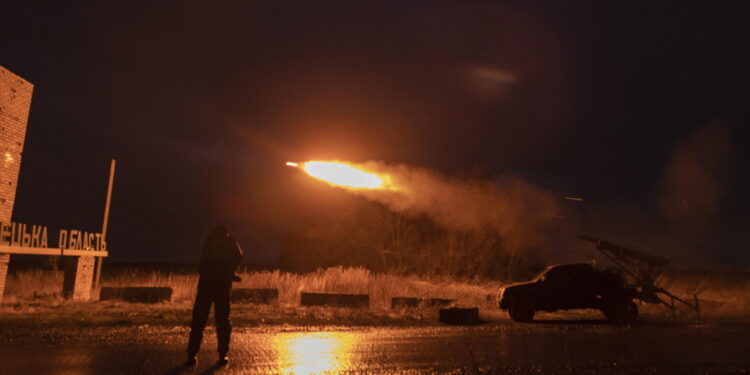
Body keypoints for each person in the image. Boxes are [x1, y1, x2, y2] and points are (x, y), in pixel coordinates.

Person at [186, 225, 243, 367]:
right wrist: (230, 271)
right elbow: (239, 256)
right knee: (223, 322)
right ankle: (222, 354)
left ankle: (192, 355)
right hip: (221, 287)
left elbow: (203, 265)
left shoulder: (209, 242)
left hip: (206, 286)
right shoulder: (229, 241)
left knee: (199, 322)